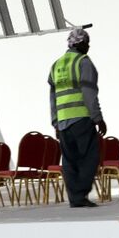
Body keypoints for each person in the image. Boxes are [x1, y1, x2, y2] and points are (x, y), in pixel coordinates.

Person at [49, 28, 106, 208]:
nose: (88, 46)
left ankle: (75, 198)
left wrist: (55, 122)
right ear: (80, 43)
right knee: (90, 157)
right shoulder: (83, 62)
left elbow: (53, 97)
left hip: (64, 122)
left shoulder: (56, 65)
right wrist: (98, 118)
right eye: (87, 43)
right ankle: (80, 194)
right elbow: (89, 93)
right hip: (81, 119)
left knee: (69, 161)